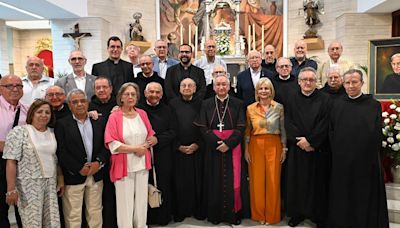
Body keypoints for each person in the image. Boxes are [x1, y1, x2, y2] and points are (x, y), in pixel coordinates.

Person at [328, 69, 389, 228]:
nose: (351, 86)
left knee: (363, 196)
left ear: (362, 83)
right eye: (347, 82)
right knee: (344, 195)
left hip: (365, 161)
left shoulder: (373, 105)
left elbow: (376, 133)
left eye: (354, 82)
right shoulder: (336, 104)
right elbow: (332, 131)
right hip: (343, 161)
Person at [194, 73, 246, 225]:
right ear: (214, 86)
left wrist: (228, 144)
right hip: (212, 148)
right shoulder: (206, 103)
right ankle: (214, 214)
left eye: (224, 84)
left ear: (229, 86)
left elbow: (241, 126)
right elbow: (203, 127)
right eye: (218, 84)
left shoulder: (238, 103)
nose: (222, 87)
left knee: (233, 181)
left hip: (233, 147)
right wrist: (217, 143)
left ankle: (233, 214)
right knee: (213, 179)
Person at [104, 82, 157, 228]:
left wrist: (149, 143)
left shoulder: (142, 113)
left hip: (142, 164)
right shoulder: (114, 116)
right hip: (124, 166)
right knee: (125, 203)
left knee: (141, 201)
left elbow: (151, 134)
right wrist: (135, 149)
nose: (130, 97)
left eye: (133, 94)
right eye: (127, 94)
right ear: (121, 97)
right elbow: (112, 143)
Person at [3, 99, 62, 227]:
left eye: (47, 112)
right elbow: (11, 161)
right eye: (39, 112)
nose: (44, 115)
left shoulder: (52, 132)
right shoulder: (19, 132)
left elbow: (55, 159)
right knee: (32, 223)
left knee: (52, 222)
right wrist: (11, 189)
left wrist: (60, 178)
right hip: (28, 186)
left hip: (50, 184)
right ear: (32, 114)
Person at [285, 67, 330, 228]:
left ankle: (317, 215)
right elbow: (288, 122)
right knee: (297, 183)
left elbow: (325, 124)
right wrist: (301, 142)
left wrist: (311, 142)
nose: (308, 83)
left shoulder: (325, 99)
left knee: (317, 184)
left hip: (317, 150)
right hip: (298, 150)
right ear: (299, 82)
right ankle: (297, 214)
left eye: (311, 80)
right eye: (304, 80)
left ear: (316, 81)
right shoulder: (291, 98)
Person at [55, 89, 107, 228]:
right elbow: (61, 151)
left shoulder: (99, 121)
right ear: (69, 105)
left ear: (88, 103)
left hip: (96, 174)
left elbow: (106, 146)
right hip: (73, 176)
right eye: (75, 102)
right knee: (73, 215)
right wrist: (78, 168)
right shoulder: (62, 124)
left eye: (82, 101)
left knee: (95, 212)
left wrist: (99, 162)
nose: (79, 104)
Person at [244, 78, 286, 225]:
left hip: (274, 145)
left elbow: (283, 130)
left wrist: (284, 148)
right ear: (257, 91)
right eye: (261, 88)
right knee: (256, 181)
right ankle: (259, 214)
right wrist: (246, 150)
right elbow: (247, 131)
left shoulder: (279, 107)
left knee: (273, 181)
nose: (263, 91)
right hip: (255, 145)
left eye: (266, 88)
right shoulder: (250, 108)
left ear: (271, 91)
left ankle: (272, 215)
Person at [138, 82, 176, 225]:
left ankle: (163, 217)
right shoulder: (138, 110)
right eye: (151, 92)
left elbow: (173, 131)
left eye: (157, 92)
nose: (154, 95)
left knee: (164, 184)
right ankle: (146, 218)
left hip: (163, 153)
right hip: (142, 154)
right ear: (145, 93)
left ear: (161, 94)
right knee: (144, 185)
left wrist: (157, 139)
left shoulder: (168, 110)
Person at [169, 78, 204, 221]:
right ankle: (181, 211)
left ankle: (197, 210)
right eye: (184, 85)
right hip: (179, 149)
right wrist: (178, 146)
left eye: (190, 85)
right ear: (179, 88)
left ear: (195, 89)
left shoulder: (202, 104)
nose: (187, 87)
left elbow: (205, 126)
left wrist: (198, 144)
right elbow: (169, 126)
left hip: (197, 148)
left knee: (197, 181)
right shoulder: (172, 104)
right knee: (180, 182)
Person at [87, 76, 118, 228]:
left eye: (104, 87)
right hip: (98, 155)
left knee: (116, 192)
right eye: (98, 87)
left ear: (111, 89)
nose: (101, 90)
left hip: (118, 155)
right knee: (100, 194)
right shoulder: (88, 106)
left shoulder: (120, 104)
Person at [0, 75, 27, 228]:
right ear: (0, 88)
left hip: (22, 165)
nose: (15, 89)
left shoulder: (27, 109)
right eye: (9, 85)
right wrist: (12, 149)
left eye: (19, 85)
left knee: (23, 209)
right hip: (1, 162)